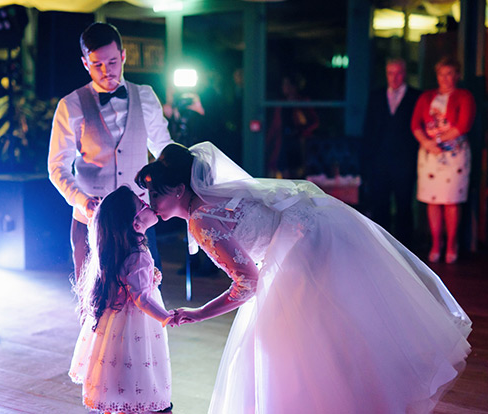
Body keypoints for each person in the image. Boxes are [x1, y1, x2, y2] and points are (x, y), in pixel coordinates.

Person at [136, 142, 471, 414]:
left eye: (156, 196)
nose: (152, 205)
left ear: (180, 189)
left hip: (302, 252)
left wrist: (198, 313)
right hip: (317, 229)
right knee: (335, 333)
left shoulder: (201, 220)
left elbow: (248, 283)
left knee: (290, 347)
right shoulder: (214, 199)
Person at [48, 22, 173, 281]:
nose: (107, 71)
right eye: (97, 65)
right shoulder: (70, 106)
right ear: (85, 63)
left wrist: (160, 205)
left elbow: (164, 152)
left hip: (139, 216)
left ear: (124, 56)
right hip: (91, 220)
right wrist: (82, 201)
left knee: (149, 294)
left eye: (113, 62)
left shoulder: (146, 96)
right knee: (94, 302)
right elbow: (57, 167)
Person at [69, 185, 173, 414]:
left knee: (120, 371)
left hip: (118, 324)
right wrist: (167, 317)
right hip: (138, 325)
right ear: (136, 224)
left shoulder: (120, 251)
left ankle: (120, 405)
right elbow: (142, 299)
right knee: (141, 368)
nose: (149, 204)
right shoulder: (139, 255)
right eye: (143, 205)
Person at [411, 56, 476, 264]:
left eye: (449, 74)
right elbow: (415, 124)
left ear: (456, 75)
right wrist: (427, 143)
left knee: (450, 201)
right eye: (441, 74)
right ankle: (436, 243)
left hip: (453, 155)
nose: (445, 78)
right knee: (433, 200)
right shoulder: (426, 96)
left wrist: (438, 140)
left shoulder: (464, 96)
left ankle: (451, 244)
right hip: (430, 154)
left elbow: (463, 125)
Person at [362, 58, 421, 248]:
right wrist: (368, 161)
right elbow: (368, 129)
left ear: (404, 74)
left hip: (405, 161)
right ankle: (382, 246)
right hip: (379, 160)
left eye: (398, 73)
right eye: (390, 73)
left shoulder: (415, 96)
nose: (394, 78)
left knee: (404, 205)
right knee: (380, 204)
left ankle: (405, 248)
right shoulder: (376, 96)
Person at [266, 74, 319, 178]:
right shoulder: (281, 103)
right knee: (280, 168)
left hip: (297, 142)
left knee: (296, 171)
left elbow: (314, 122)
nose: (284, 87)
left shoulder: (303, 102)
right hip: (283, 141)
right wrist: (267, 142)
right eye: (283, 84)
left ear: (294, 86)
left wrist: (301, 131)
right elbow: (275, 125)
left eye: (287, 84)